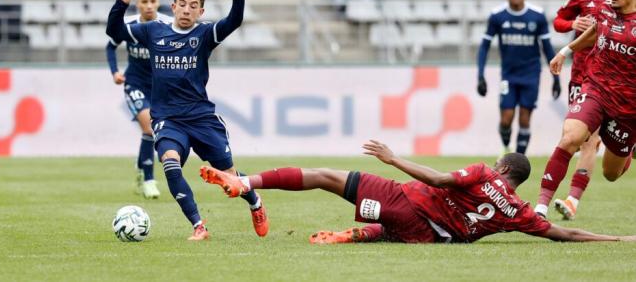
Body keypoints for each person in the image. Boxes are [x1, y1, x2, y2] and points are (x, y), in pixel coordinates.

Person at [199, 139, 636, 244]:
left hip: (403, 200)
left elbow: (441, 180)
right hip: (423, 234)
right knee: (391, 229)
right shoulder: (519, 212)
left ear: (503, 168)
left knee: (324, 177)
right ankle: (356, 234)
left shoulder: (485, 172)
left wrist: (393, 160)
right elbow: (564, 234)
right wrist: (619, 239)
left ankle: (246, 182)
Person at [106, 0, 269, 241]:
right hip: (168, 119)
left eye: (193, 6)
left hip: (201, 118)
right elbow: (116, 33)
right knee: (170, 164)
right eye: (182, 4)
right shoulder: (154, 31)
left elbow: (233, 21)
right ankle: (198, 226)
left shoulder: (204, 34)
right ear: (173, 6)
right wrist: (120, 5)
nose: (186, 9)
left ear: (201, 12)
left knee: (227, 175)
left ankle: (255, 202)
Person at [536, 0, 636, 218]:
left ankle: (628, 151)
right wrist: (565, 51)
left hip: (627, 108)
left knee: (611, 174)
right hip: (596, 89)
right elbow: (595, 32)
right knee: (570, 138)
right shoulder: (604, 9)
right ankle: (540, 207)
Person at [477, 0, 561, 154]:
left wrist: (556, 78)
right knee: (506, 120)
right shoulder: (497, 16)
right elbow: (484, 46)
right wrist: (480, 75)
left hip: (531, 75)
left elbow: (547, 48)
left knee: (524, 119)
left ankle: (518, 160)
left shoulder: (537, 16)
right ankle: (506, 148)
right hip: (508, 75)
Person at [106, 0, 171, 199]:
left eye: (153, 1)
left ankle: (142, 167)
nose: (149, 6)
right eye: (145, 1)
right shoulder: (129, 25)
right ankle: (149, 180)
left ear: (158, 1)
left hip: (160, 88)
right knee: (150, 128)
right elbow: (110, 45)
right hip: (134, 84)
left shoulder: (168, 25)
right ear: (137, 3)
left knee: (154, 132)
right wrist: (115, 71)